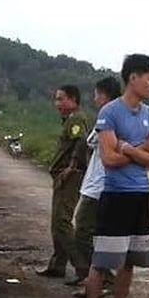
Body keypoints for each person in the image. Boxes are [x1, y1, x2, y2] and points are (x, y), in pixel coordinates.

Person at [81, 54, 149, 298]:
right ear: (132, 78)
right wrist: (138, 149)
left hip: (141, 195)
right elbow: (109, 158)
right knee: (102, 260)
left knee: (128, 261)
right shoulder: (110, 113)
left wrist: (128, 147)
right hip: (115, 195)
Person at [68, 76, 122, 288]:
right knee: (95, 233)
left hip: (99, 184)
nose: (95, 98)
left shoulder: (108, 116)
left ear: (105, 95)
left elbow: (91, 141)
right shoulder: (119, 116)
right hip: (102, 183)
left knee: (82, 231)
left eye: (97, 94)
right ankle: (98, 279)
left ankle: (102, 277)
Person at [36, 85, 91, 278]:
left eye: (61, 99)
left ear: (73, 100)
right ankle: (58, 264)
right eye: (56, 99)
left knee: (62, 221)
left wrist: (72, 166)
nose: (57, 103)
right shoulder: (69, 120)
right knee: (56, 221)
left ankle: (81, 265)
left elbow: (82, 140)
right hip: (64, 176)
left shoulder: (76, 119)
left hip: (71, 176)